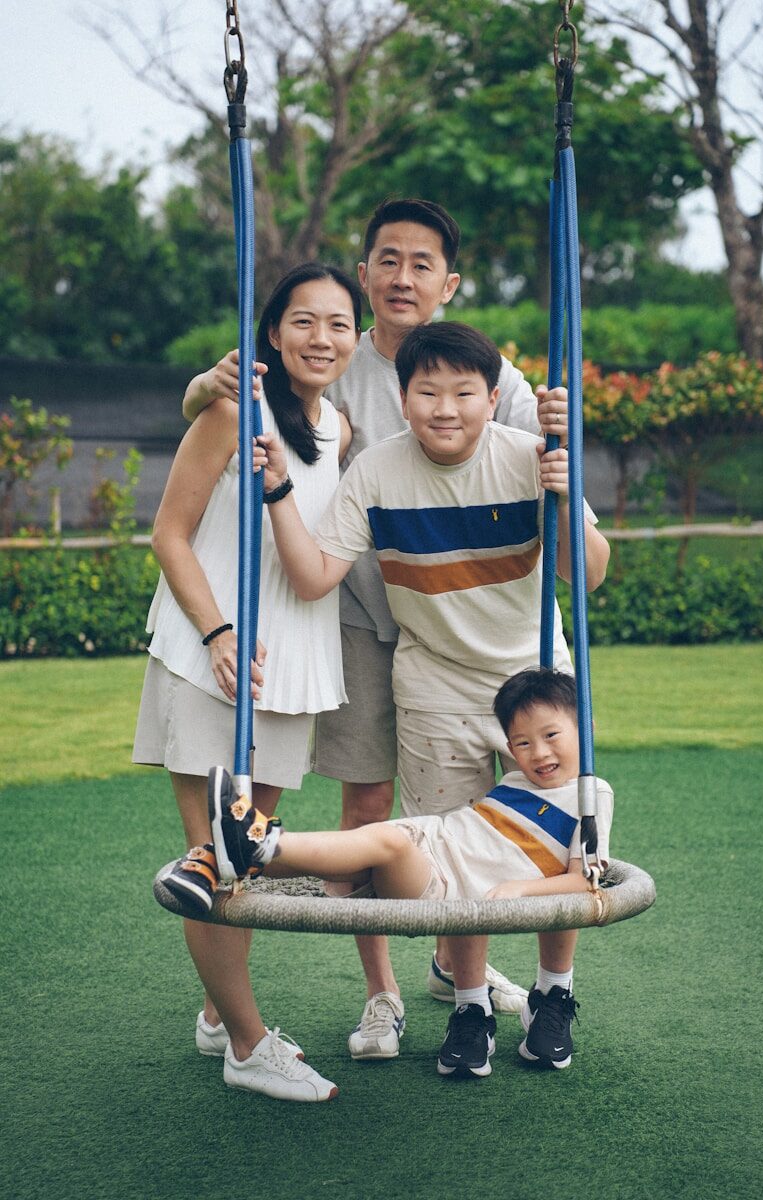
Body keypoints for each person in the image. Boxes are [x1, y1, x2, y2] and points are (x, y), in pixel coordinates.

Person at [185, 198, 580, 1057]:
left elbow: (541, 485)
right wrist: (204, 392)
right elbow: (239, 393)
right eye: (387, 261)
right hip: (371, 616)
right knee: (373, 799)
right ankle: (383, 990)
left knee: (506, 806)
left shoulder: (492, 376)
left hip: (488, 624)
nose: (403, 277)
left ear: (450, 282)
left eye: (422, 263)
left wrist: (562, 445)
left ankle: (462, 970)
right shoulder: (330, 351)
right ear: (366, 276)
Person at [254, 319, 610, 1065]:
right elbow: (316, 574)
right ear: (403, 395)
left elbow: (588, 574)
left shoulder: (530, 458)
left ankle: (554, 991)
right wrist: (279, 489)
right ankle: (471, 1005)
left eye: (463, 392)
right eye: (427, 392)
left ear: (491, 398)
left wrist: (566, 487)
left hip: (534, 683)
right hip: (436, 686)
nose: (445, 408)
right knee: (455, 863)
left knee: (562, 842)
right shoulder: (377, 473)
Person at [133, 262, 363, 1102]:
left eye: (339, 324)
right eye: (303, 322)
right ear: (271, 333)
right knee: (216, 863)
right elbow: (169, 534)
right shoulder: (233, 409)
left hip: (292, 664)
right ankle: (246, 1044)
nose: (321, 339)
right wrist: (219, 633)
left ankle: (214, 1014)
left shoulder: (338, 427)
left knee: (249, 858)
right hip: (213, 658)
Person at [195, 667, 614, 1080]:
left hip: (441, 881)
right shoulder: (518, 781)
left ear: (587, 729)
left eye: (551, 736)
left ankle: (258, 838)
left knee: (385, 843)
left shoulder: (590, 795)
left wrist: (522, 890)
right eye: (522, 743)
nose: (538, 753)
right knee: (356, 850)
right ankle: (237, 853)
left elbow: (584, 880)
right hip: (430, 843)